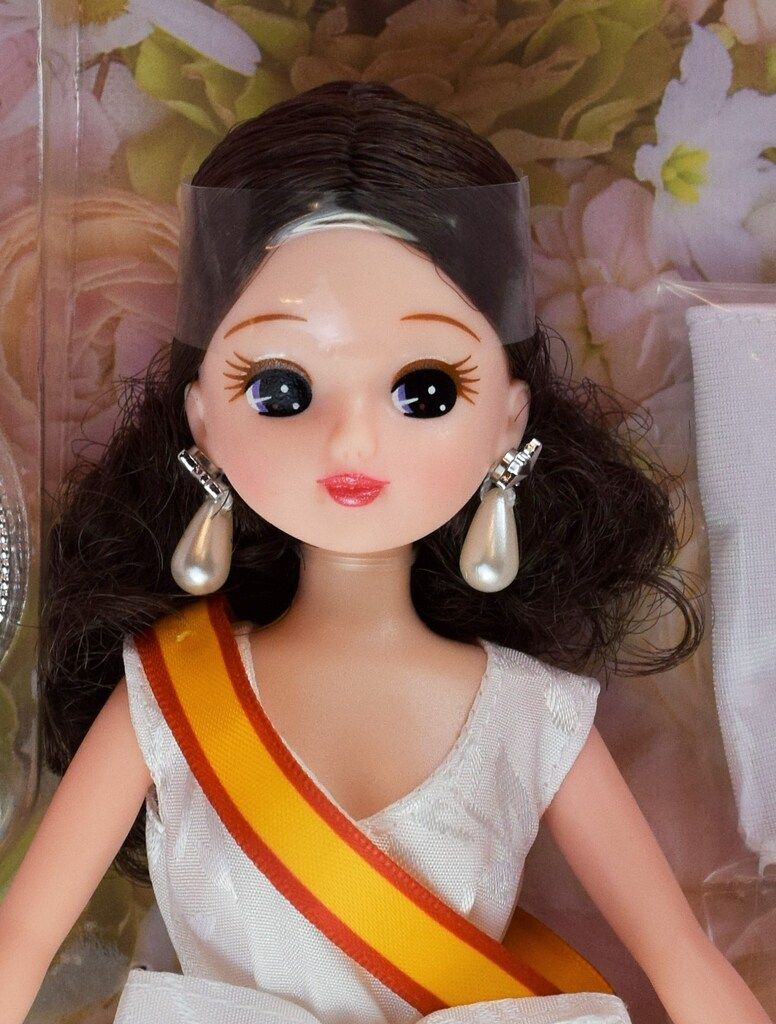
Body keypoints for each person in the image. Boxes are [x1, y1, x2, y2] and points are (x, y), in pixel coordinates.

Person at [0, 80, 771, 1024]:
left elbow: (679, 955)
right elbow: (22, 937)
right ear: (202, 418)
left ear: (510, 420)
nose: (353, 440)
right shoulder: (167, 698)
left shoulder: (531, 715)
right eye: (281, 389)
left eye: (426, 391)